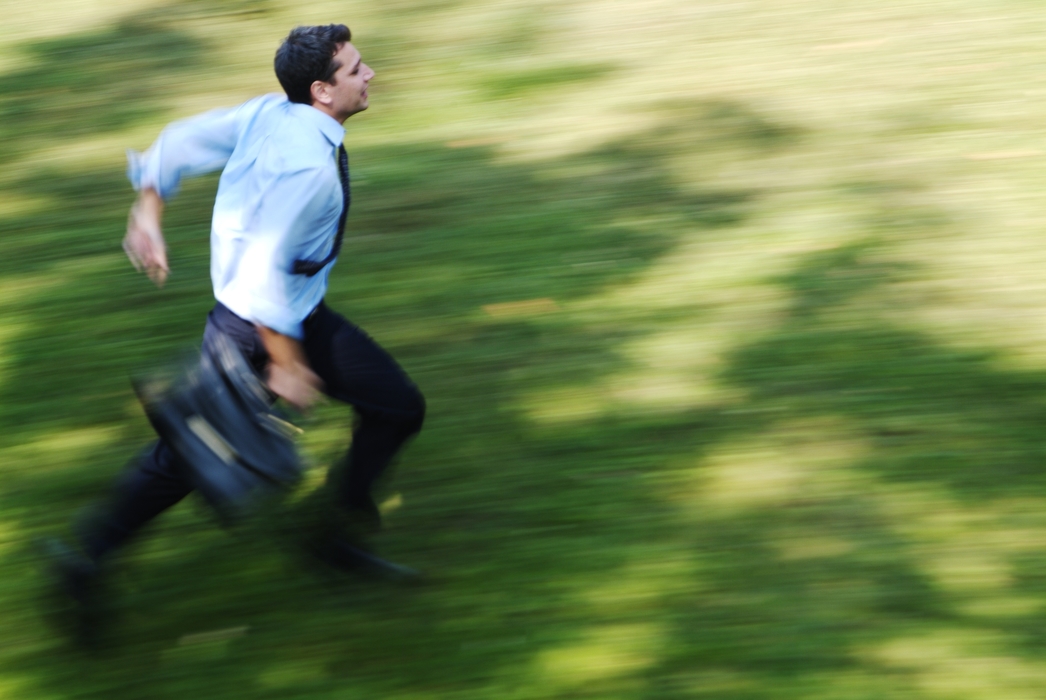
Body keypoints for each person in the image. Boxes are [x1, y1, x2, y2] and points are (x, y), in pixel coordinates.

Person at [47, 23, 426, 632]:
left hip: (293, 311)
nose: (370, 74)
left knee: (398, 407)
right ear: (322, 92)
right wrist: (286, 361)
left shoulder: (272, 114)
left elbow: (178, 141)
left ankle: (334, 529)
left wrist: (148, 209)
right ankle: (86, 560)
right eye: (357, 69)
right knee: (185, 460)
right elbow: (258, 272)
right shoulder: (309, 169)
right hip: (254, 328)